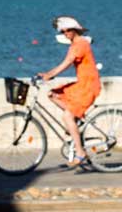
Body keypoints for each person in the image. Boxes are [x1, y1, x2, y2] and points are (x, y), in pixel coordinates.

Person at [38, 16, 101, 167]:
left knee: (67, 116)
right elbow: (62, 64)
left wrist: (50, 74)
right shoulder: (74, 44)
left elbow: (66, 63)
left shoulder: (80, 44)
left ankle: (80, 152)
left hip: (88, 86)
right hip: (81, 84)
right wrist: (47, 73)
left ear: (75, 30)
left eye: (68, 30)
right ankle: (76, 120)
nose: (65, 33)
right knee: (53, 94)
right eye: (62, 31)